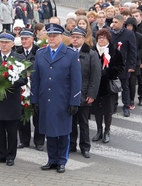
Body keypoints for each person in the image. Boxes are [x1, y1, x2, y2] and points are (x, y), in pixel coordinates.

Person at [30, 23, 82, 173]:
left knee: (63, 133)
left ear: (61, 37)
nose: (51, 38)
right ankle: (51, 159)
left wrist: (74, 101)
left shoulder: (71, 54)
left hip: (62, 100)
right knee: (49, 131)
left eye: (54, 36)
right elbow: (36, 79)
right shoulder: (41, 53)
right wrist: (34, 99)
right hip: (45, 99)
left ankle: (61, 161)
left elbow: (76, 80)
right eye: (50, 36)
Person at [0, 31, 28, 166]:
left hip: (11, 100)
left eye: (6, 43)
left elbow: (23, 79)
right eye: (1, 42)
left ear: (12, 44)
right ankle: (0, 154)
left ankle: (10, 155)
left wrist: (9, 80)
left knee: (11, 130)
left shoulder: (19, 59)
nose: (3, 45)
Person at [69, 26, 101, 158]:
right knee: (70, 121)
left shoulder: (91, 54)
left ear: (83, 38)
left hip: (84, 93)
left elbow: (96, 75)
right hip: (69, 93)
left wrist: (91, 94)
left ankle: (85, 146)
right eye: (73, 37)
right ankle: (71, 145)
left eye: (78, 37)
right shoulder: (67, 51)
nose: (75, 39)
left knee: (83, 122)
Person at [91, 28, 125, 143]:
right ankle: (99, 130)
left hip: (108, 85)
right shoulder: (92, 50)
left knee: (107, 110)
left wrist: (106, 72)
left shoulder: (114, 51)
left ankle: (107, 131)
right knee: (97, 110)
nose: (101, 40)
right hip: (96, 86)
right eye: (99, 38)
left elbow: (121, 67)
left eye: (104, 38)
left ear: (108, 39)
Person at [16, 28, 45, 151]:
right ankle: (24, 140)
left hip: (36, 87)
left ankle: (39, 141)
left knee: (38, 116)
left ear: (32, 39)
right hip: (22, 88)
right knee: (23, 116)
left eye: (26, 39)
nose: (24, 41)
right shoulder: (17, 52)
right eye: (22, 39)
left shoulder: (39, 52)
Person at [111, 14, 137, 117]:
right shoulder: (110, 32)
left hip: (124, 64)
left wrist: (132, 66)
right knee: (112, 85)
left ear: (122, 23)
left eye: (116, 22)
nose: (114, 24)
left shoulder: (129, 34)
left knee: (124, 86)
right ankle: (114, 104)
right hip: (113, 64)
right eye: (113, 22)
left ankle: (126, 106)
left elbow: (132, 51)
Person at [124, 18, 142, 110]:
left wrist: (136, 55)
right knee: (124, 83)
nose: (129, 28)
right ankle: (125, 99)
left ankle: (131, 100)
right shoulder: (124, 35)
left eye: (131, 26)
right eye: (127, 26)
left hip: (135, 62)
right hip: (124, 61)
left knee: (132, 83)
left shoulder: (139, 36)